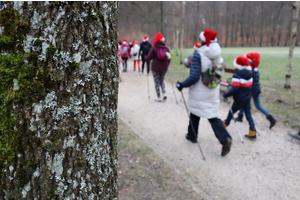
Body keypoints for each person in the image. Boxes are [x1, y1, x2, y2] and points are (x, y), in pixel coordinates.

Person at [176, 29, 232, 156]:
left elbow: (194, 76)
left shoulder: (198, 54)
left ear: (203, 40)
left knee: (195, 111)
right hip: (212, 89)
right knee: (211, 115)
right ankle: (224, 139)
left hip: (199, 90)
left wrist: (182, 85)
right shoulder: (218, 53)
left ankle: (192, 136)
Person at [236, 52, 277, 129]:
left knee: (245, 102)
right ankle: (271, 118)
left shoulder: (250, 70)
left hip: (251, 90)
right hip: (256, 89)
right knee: (257, 105)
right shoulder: (255, 69)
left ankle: (240, 117)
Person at [223, 56, 257, 140]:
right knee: (248, 115)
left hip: (239, 99)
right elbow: (250, 86)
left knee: (231, 112)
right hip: (247, 99)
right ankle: (253, 131)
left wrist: (227, 94)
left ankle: (225, 123)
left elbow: (235, 89)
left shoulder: (237, 75)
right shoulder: (250, 73)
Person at [145, 33, 170, 102]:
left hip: (155, 67)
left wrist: (145, 58)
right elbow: (169, 58)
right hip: (164, 67)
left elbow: (149, 57)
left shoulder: (154, 47)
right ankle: (164, 93)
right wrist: (167, 65)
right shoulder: (166, 47)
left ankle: (158, 96)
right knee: (162, 80)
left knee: (157, 81)